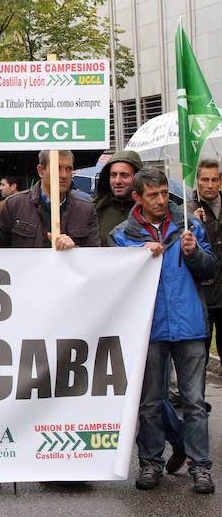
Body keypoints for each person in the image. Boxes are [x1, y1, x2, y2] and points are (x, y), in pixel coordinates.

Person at [109, 168, 216, 494]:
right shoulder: (122, 234)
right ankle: (151, 463)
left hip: (190, 326)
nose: (160, 200)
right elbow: (113, 280)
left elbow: (210, 269)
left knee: (194, 403)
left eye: (164, 194)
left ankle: (201, 468)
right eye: (152, 195)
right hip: (149, 329)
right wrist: (136, 259)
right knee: (150, 403)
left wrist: (194, 253)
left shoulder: (190, 225)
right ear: (137, 197)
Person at [0, 149, 99, 249]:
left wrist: (73, 250)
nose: (64, 175)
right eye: (57, 168)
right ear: (41, 171)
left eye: (68, 169)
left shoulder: (86, 209)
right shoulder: (14, 205)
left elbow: (94, 257)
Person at [189, 157, 222, 361]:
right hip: (202, 294)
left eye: (214, 180)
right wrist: (193, 223)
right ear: (197, 181)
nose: (209, 185)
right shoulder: (186, 211)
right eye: (204, 180)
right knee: (199, 355)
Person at [93, 150, 143, 246]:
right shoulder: (94, 210)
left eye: (124, 175)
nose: (117, 181)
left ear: (137, 178)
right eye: (113, 175)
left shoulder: (149, 211)